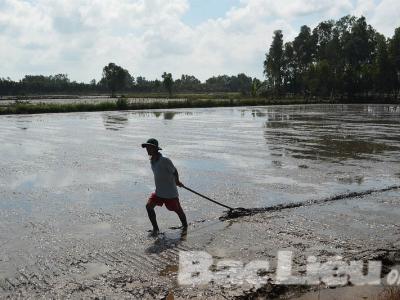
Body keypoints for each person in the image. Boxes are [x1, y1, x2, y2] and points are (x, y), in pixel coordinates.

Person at [142, 138, 188, 235]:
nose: (147, 149)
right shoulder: (152, 161)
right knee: (149, 206)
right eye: (146, 147)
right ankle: (156, 229)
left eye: (149, 147)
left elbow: (174, 171)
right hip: (159, 192)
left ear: (155, 149)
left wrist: (177, 181)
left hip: (170, 193)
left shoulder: (165, 160)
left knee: (177, 210)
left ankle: (185, 227)